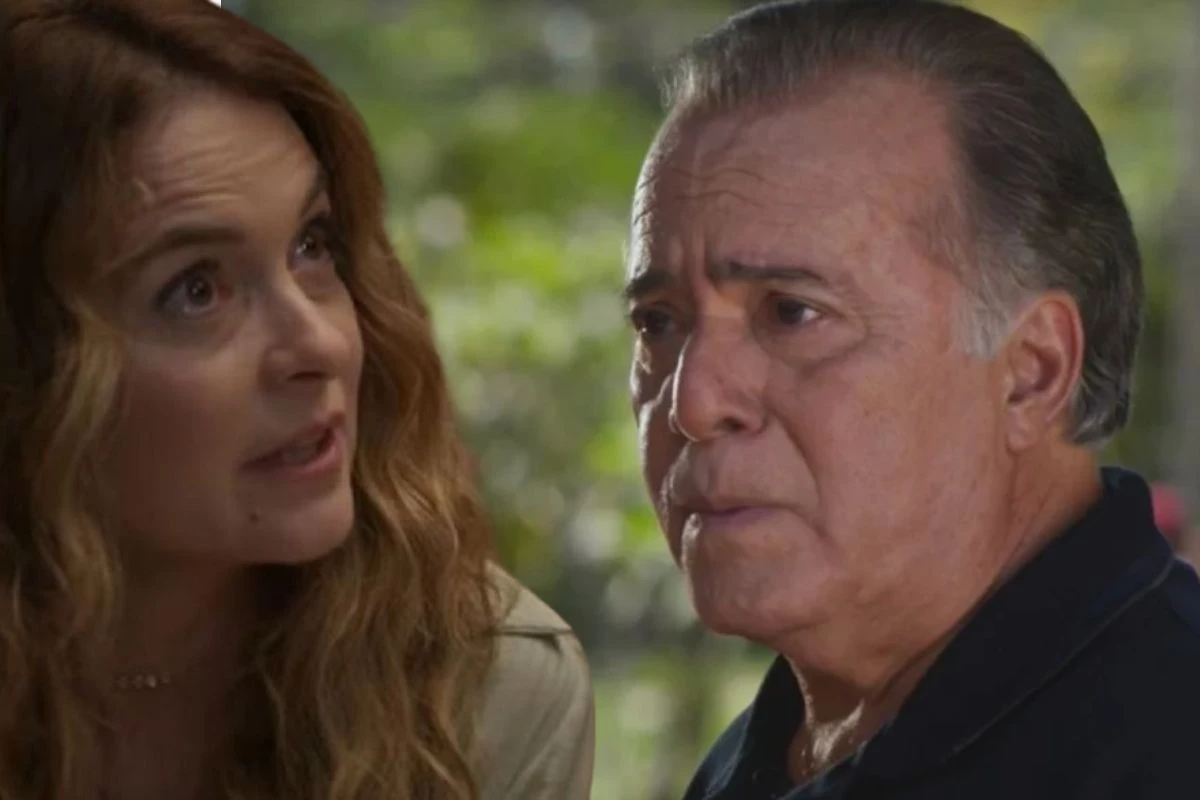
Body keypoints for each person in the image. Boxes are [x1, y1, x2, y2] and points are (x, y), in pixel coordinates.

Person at [0, 1, 594, 798]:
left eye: (313, 246)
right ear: (27, 366)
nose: (321, 345)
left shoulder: (481, 690)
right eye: (196, 289)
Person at [622, 1, 1200, 798]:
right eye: (657, 322)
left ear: (1032, 370)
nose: (692, 402)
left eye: (791, 313)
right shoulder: (774, 751)